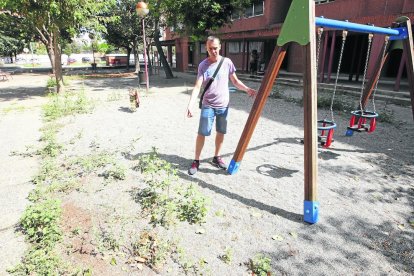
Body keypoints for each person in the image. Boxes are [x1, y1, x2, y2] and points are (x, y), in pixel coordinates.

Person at [186, 36, 257, 176]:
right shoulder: (203, 65)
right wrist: (190, 105)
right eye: (210, 48)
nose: (213, 51)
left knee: (221, 132)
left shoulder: (227, 62)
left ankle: (216, 157)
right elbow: (197, 86)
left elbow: (235, 81)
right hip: (208, 105)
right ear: (207, 48)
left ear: (220, 47)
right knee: (202, 133)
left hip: (223, 106)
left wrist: (247, 89)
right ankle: (196, 160)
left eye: (215, 48)